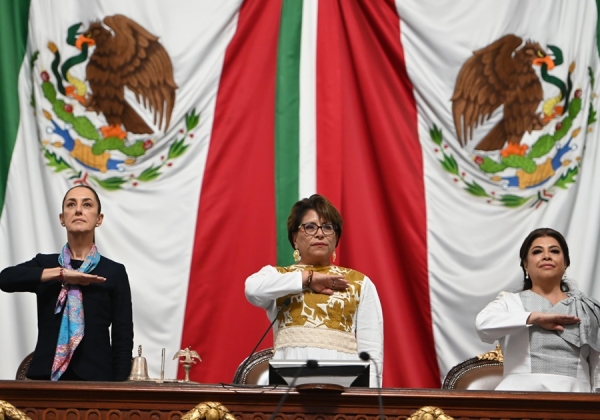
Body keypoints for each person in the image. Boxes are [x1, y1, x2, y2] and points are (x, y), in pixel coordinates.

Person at [245, 194, 384, 387]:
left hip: (344, 393)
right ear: (295, 238)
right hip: (286, 389)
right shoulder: (279, 277)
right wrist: (306, 278)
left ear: (336, 238)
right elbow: (252, 290)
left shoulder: (359, 283)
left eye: (327, 227)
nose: (320, 234)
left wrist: (370, 403)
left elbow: (372, 351)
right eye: (310, 227)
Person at [0, 185, 133, 381]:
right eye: (71, 204)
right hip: (46, 378)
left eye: (87, 204)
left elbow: (123, 337)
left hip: (97, 381)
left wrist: (119, 390)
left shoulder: (114, 272)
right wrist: (62, 274)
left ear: (99, 219)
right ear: (62, 219)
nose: (78, 210)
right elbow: (6, 279)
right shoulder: (45, 264)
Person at [476, 228, 600, 392]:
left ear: (566, 263)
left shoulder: (585, 306)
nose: (546, 256)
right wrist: (533, 318)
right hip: (519, 397)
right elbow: (482, 325)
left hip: (577, 398)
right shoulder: (510, 301)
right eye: (537, 251)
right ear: (525, 264)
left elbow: (597, 364)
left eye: (554, 251)